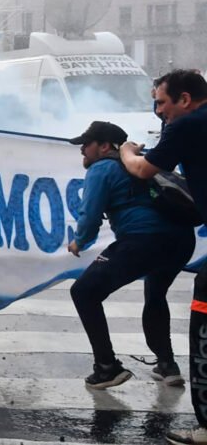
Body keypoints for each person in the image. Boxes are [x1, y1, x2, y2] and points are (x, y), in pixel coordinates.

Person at [117, 70, 207, 445]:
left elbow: (143, 169)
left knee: (203, 322)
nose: (159, 112)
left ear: (185, 99)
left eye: (162, 102)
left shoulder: (186, 126)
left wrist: (125, 150)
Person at [66, 121, 192, 389]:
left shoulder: (102, 168)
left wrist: (79, 242)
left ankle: (107, 367)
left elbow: (90, 216)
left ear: (104, 146)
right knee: (156, 293)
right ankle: (167, 364)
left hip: (143, 241)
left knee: (84, 292)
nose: (82, 151)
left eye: (85, 145)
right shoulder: (141, 162)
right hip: (181, 241)